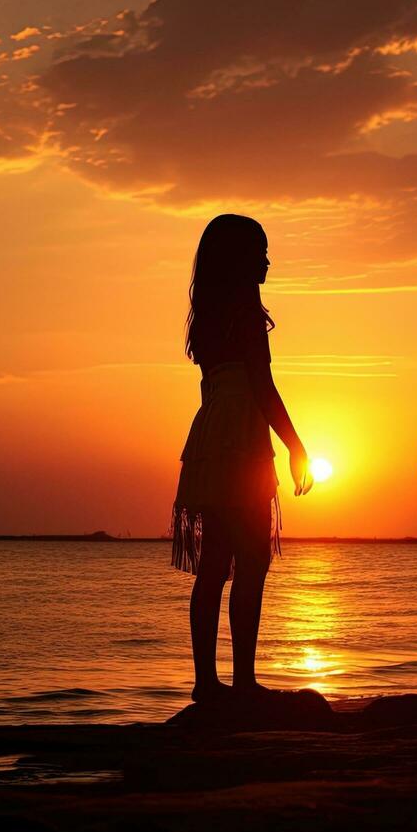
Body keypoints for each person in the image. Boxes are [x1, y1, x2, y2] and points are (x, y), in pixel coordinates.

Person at [172, 214, 313, 704]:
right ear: (240, 260)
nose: (268, 260)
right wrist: (296, 445)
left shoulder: (209, 318)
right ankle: (243, 681)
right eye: (261, 251)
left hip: (212, 431)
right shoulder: (248, 317)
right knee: (250, 561)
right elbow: (263, 386)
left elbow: (213, 383)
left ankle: (207, 683)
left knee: (214, 564)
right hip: (242, 435)